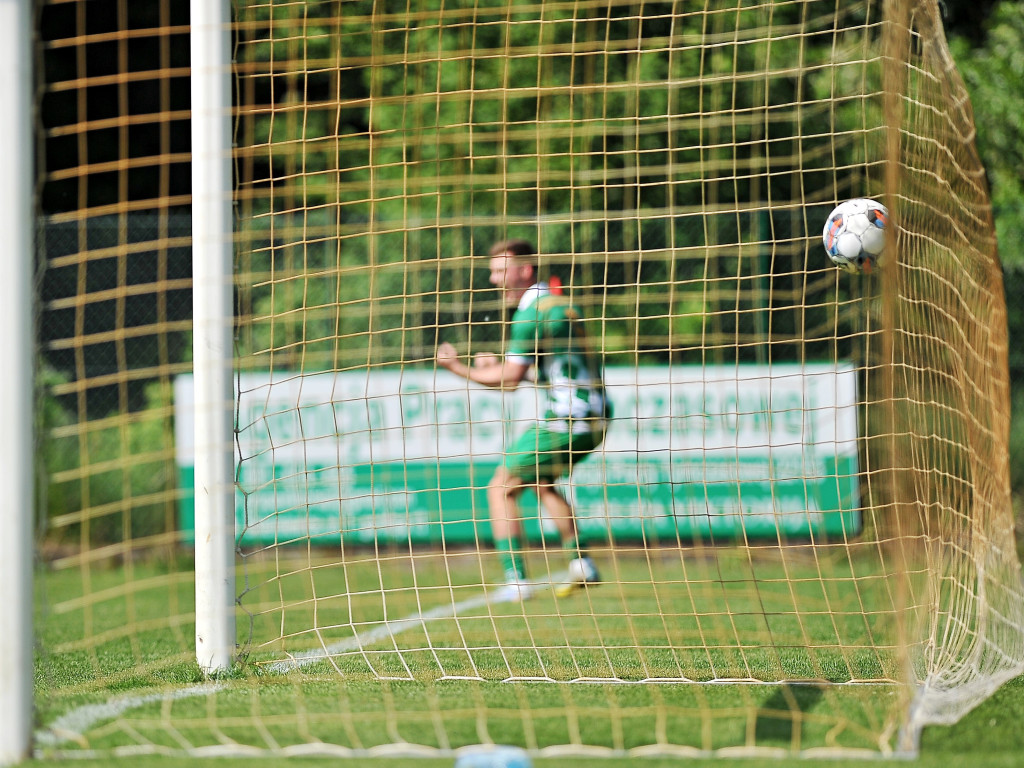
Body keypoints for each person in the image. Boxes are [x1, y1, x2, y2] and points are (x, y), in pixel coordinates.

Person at [436, 239, 610, 600]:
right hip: (596, 414)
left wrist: (458, 368)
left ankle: (516, 580)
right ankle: (582, 563)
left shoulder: (530, 313)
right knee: (540, 481)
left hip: (569, 417)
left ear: (525, 270)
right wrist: (495, 369)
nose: (494, 280)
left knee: (501, 487)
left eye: (501, 271)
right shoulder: (559, 304)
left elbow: (511, 378)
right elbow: (530, 377)